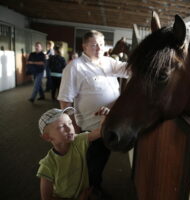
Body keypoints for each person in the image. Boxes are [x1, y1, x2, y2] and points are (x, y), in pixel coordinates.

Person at [57, 30, 129, 196]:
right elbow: (65, 100)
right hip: (89, 126)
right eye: (94, 44)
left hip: (108, 123)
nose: (99, 48)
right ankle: (84, 191)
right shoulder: (74, 67)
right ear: (84, 46)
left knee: (102, 158)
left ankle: (94, 185)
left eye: (102, 44)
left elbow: (129, 70)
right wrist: (72, 126)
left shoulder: (109, 62)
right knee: (90, 162)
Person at [36, 107, 108, 200]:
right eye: (61, 127)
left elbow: (100, 131)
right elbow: (46, 198)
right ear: (47, 137)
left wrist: (105, 116)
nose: (69, 129)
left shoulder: (78, 140)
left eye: (70, 123)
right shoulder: (48, 165)